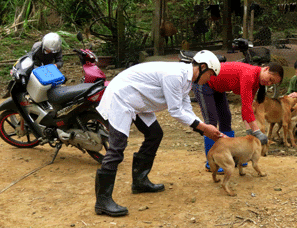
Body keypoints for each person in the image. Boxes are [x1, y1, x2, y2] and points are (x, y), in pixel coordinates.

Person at [94, 50, 223, 217]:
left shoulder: (187, 80)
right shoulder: (175, 76)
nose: (210, 79)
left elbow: (186, 109)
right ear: (203, 67)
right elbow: (176, 111)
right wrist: (205, 128)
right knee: (117, 148)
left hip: (139, 101)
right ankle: (102, 201)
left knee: (155, 134)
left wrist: (203, 127)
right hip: (122, 97)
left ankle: (140, 182)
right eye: (211, 74)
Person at [192, 61, 284, 172]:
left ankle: (230, 157)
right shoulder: (249, 75)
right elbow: (246, 108)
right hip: (204, 84)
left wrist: (249, 130)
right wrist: (257, 131)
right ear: (266, 69)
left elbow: (247, 107)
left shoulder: (256, 81)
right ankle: (211, 162)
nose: (269, 83)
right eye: (270, 79)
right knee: (211, 122)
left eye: (272, 83)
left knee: (226, 119)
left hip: (219, 88)